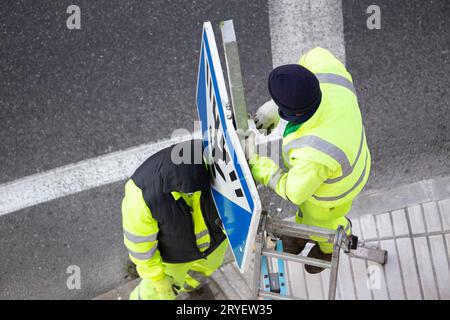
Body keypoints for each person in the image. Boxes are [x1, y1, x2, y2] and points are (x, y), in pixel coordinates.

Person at [247, 47, 371, 274]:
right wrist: (276, 107)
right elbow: (311, 57)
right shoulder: (330, 73)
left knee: (322, 221)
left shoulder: (314, 151)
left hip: (333, 192)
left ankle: (328, 244)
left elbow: (294, 191)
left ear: (293, 115)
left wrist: (257, 166)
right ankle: (304, 233)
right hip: (354, 164)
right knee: (309, 211)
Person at [121, 139, 227, 299]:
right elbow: (140, 248)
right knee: (155, 295)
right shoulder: (141, 197)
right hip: (173, 259)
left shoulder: (212, 160)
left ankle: (191, 288)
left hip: (215, 246)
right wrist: (158, 278)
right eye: (189, 193)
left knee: (200, 273)